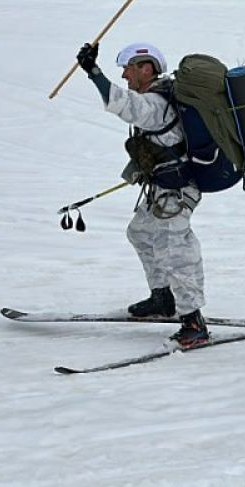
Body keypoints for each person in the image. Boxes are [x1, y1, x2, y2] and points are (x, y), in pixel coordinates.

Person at [76, 41, 209, 347]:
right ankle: (163, 298)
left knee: (174, 248)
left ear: (146, 69)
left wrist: (94, 72)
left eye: (128, 69)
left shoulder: (156, 104)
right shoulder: (156, 98)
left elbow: (124, 105)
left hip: (177, 191)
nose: (124, 75)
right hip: (163, 188)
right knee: (140, 232)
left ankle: (193, 321)